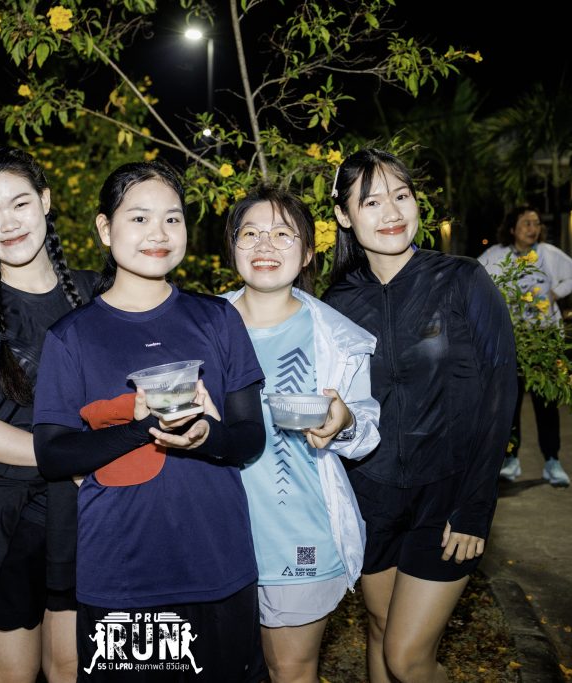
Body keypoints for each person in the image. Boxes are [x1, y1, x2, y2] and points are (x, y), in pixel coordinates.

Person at [32, 160, 267, 681]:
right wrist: (141, 428)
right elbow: (52, 454)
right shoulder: (72, 336)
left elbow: (250, 438)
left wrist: (208, 435)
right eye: (139, 218)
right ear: (105, 228)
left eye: (172, 219)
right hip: (124, 571)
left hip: (217, 561)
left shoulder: (218, 319)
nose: (158, 234)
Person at [323, 148, 517, 683]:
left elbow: (501, 391)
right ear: (344, 215)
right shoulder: (337, 302)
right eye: (372, 201)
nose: (392, 212)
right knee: (381, 629)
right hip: (371, 497)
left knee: (408, 657)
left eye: (401, 196)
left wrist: (475, 503)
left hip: (446, 494)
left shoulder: (462, 279)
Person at [0, 147, 98, 683]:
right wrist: (69, 457)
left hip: (83, 511)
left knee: (73, 668)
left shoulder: (94, 293)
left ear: (45, 201)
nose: (7, 223)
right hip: (3, 519)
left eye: (20, 203)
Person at [220, 186, 381, 683]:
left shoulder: (337, 336)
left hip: (299, 535)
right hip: (216, 533)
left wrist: (343, 422)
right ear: (233, 247)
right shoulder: (202, 325)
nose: (265, 245)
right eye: (250, 233)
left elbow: (366, 428)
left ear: (308, 251)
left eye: (282, 234)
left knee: (290, 669)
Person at [478, 206, 572, 486]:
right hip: (510, 338)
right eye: (526, 223)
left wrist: (555, 293)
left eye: (536, 223)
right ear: (512, 228)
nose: (532, 228)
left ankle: (552, 461)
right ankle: (511, 460)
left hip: (543, 339)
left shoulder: (548, 253)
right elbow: (475, 279)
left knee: (546, 401)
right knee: (509, 403)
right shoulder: (496, 255)